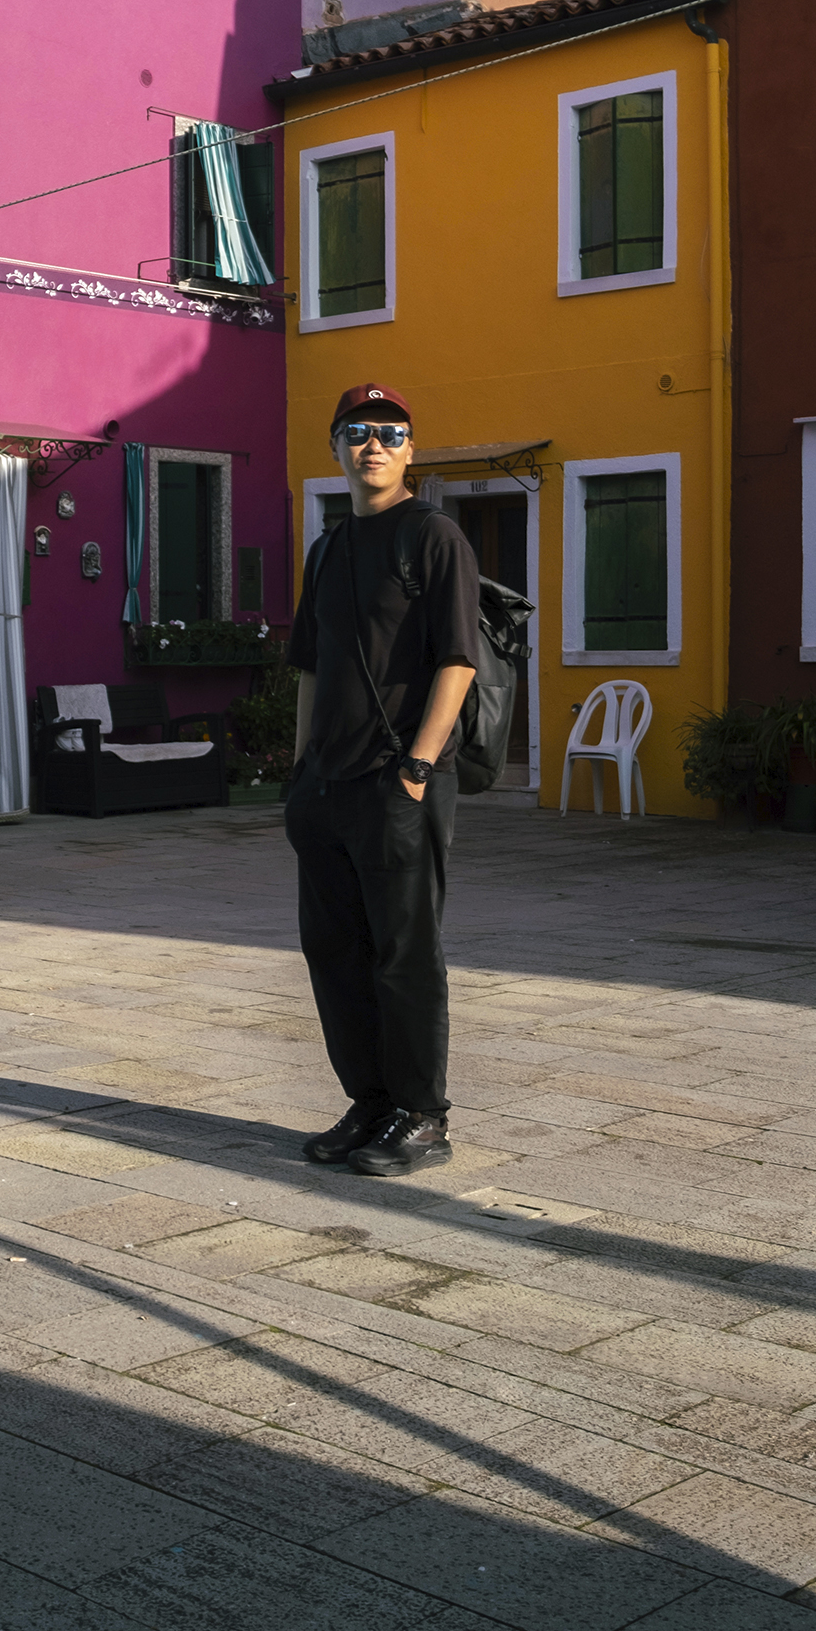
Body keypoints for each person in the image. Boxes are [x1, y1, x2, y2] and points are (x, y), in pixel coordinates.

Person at [284, 383, 479, 1176]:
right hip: (325, 789)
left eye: (391, 434)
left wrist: (419, 769)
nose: (374, 445)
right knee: (333, 954)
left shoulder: (434, 538)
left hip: (399, 781)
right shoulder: (327, 548)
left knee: (404, 953)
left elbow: (457, 660)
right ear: (335, 447)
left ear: (411, 451)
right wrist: (297, 774)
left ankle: (422, 1116)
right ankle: (370, 1102)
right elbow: (309, 668)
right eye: (358, 432)